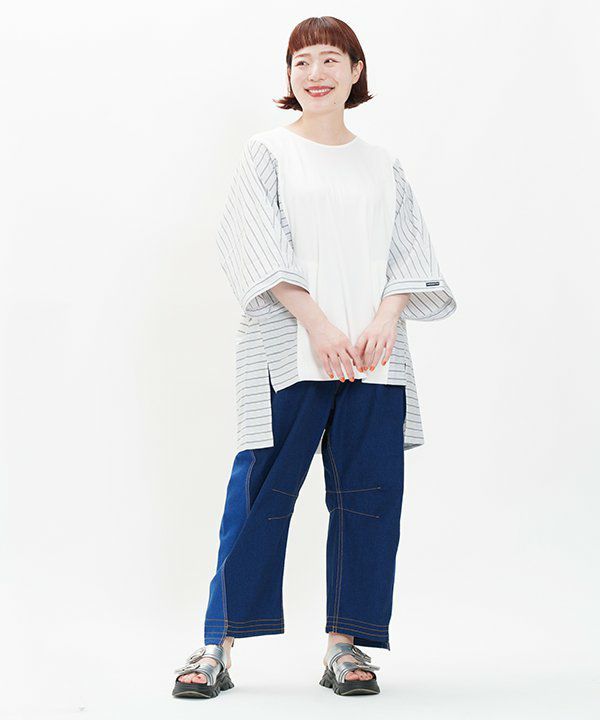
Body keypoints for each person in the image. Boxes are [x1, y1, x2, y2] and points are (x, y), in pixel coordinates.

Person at [172, 15, 457, 699]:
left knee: (369, 501)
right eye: (301, 62)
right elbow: (254, 246)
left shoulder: (383, 164)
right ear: (289, 75)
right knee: (258, 495)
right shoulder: (268, 153)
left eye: (330, 59)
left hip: (374, 361)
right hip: (291, 354)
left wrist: (385, 318)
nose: (315, 74)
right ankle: (216, 646)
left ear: (356, 71)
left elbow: (411, 255)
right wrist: (319, 324)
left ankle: (345, 645)